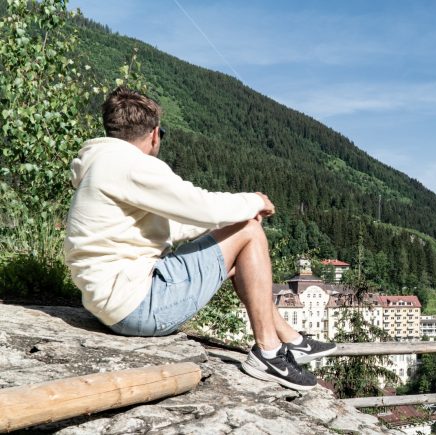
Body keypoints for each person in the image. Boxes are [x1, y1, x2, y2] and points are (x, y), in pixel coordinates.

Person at [64, 86, 336, 391]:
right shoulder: (132, 167)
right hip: (136, 308)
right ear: (154, 134)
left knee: (241, 248)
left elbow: (173, 226)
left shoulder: (100, 165)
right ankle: (269, 353)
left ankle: (291, 339)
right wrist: (254, 202)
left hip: (110, 302)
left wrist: (228, 224)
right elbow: (202, 206)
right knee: (249, 231)